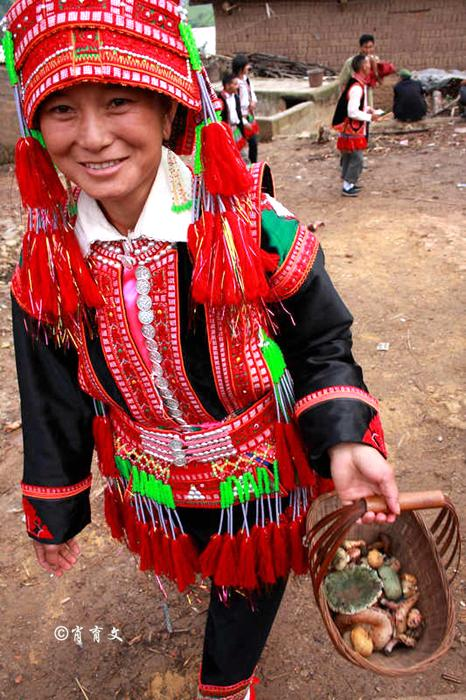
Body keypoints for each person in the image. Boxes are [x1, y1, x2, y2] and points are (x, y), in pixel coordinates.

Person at [4, 2, 399, 699]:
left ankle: (228, 683)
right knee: (203, 565)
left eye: (118, 101)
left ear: (168, 109)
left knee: (242, 596)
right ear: (36, 128)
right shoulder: (50, 258)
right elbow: (52, 392)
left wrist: (342, 437)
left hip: (255, 471)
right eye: (62, 110)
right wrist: (55, 509)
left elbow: (321, 340)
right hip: (148, 469)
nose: (92, 138)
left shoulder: (248, 224)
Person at [333, 54, 380, 197]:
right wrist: (369, 117)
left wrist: (367, 109)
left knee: (349, 156)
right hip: (352, 128)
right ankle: (348, 186)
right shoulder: (357, 87)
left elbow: (355, 106)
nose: (370, 65)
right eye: (367, 63)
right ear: (362, 67)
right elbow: (352, 111)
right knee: (356, 158)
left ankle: (348, 184)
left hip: (349, 127)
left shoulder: (356, 83)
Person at [339, 33, 394, 108]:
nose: (368, 50)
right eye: (365, 47)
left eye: (370, 47)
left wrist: (375, 68)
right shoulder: (350, 62)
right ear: (360, 47)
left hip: (368, 100)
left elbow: (380, 82)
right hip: (354, 97)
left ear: (374, 47)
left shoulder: (376, 60)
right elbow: (343, 83)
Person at [232, 53, 260, 163]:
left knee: (253, 142)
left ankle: (253, 165)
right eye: (246, 65)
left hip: (248, 115)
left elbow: (252, 92)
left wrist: (253, 101)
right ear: (240, 68)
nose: (249, 67)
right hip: (239, 119)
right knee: (240, 145)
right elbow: (233, 104)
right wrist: (242, 121)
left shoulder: (246, 80)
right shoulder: (234, 83)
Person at [219, 71, 248, 160]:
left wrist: (243, 133)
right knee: (230, 157)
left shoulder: (236, 98)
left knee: (243, 155)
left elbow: (238, 115)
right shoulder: (220, 100)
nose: (237, 86)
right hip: (226, 132)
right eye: (235, 84)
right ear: (227, 86)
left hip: (236, 130)